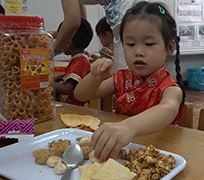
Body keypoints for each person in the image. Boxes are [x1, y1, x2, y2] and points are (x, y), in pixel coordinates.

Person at [74, 1, 185, 162]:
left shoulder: (170, 89)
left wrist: (128, 127)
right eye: (130, 44)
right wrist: (95, 77)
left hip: (159, 156)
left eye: (148, 44)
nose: (138, 52)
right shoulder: (122, 78)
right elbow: (81, 95)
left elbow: (167, 109)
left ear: (169, 47)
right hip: (122, 154)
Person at [54, 0, 136, 71]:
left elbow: (73, 22)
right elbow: (81, 24)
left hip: (129, 18)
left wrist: (50, 53)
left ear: (69, 43)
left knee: (127, 77)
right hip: (131, 16)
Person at [55, 18, 93, 106]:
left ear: (68, 43)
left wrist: (46, 81)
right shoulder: (79, 59)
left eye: (60, 40)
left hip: (76, 108)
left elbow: (67, 89)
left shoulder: (80, 62)